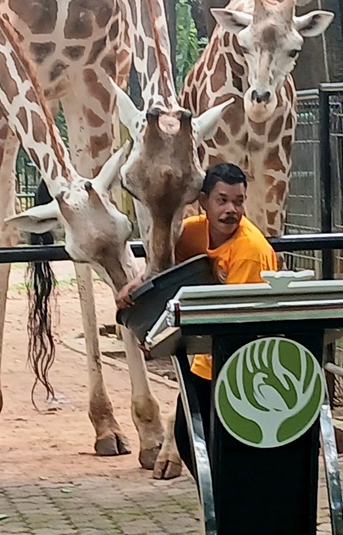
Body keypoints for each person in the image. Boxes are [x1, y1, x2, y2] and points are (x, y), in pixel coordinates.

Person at [114, 162, 277, 480]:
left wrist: (164, 338)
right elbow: (163, 268)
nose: (232, 209)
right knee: (193, 440)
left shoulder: (248, 252)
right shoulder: (192, 232)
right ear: (203, 201)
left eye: (239, 201)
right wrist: (140, 285)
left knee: (208, 440)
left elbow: (233, 322)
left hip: (241, 361)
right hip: (210, 355)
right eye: (223, 200)